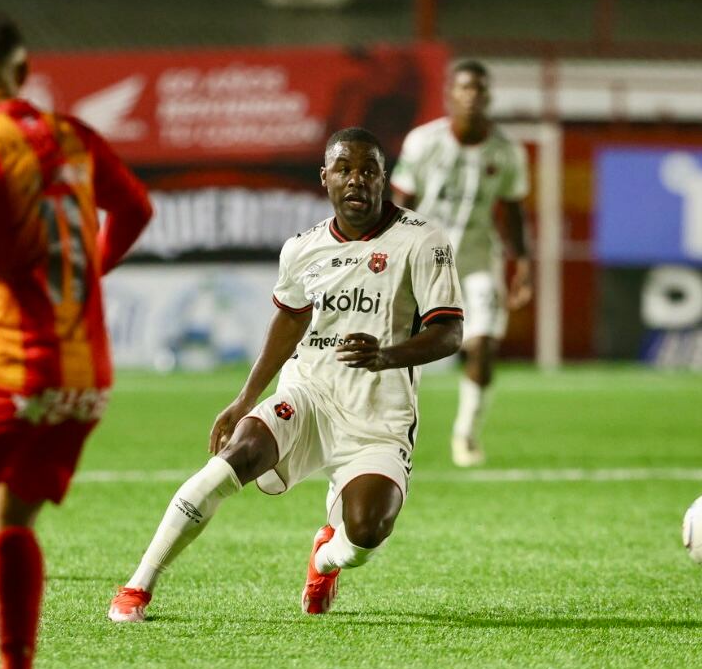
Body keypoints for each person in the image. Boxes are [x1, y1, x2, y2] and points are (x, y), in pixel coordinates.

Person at [108, 127, 463, 622]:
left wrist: (385, 355)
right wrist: (244, 398)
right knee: (233, 460)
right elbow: (291, 317)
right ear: (325, 178)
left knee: (366, 533)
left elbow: (448, 333)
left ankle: (325, 558)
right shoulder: (302, 249)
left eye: (368, 170)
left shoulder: (422, 242)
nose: (356, 180)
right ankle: (137, 586)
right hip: (309, 392)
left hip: (379, 414)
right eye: (344, 169)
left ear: (385, 179)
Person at [0, 13, 153, 669]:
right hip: (84, 378)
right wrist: (87, 274)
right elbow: (136, 208)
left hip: (14, 364)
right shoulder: (73, 135)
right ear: (23, 70)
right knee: (10, 520)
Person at [391, 60, 532, 467]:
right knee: (397, 350)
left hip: (477, 259)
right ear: (449, 94)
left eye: (480, 89)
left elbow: (513, 210)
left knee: (484, 345)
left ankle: (466, 435)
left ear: (488, 97)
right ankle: (386, 432)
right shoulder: (423, 142)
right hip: (422, 258)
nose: (472, 96)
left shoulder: (507, 151)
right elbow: (402, 203)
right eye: (465, 88)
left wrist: (522, 261)